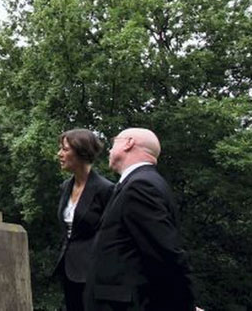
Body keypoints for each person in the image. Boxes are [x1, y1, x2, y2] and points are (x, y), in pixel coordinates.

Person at [84, 128, 198, 311]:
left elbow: (165, 253)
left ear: (129, 143)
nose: (109, 150)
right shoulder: (142, 183)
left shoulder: (140, 186)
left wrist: (186, 306)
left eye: (114, 142)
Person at [54, 129, 115, 311]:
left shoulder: (106, 189)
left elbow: (111, 234)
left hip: (96, 273)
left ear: (81, 152)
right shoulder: (65, 186)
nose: (59, 154)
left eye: (64, 149)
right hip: (68, 270)